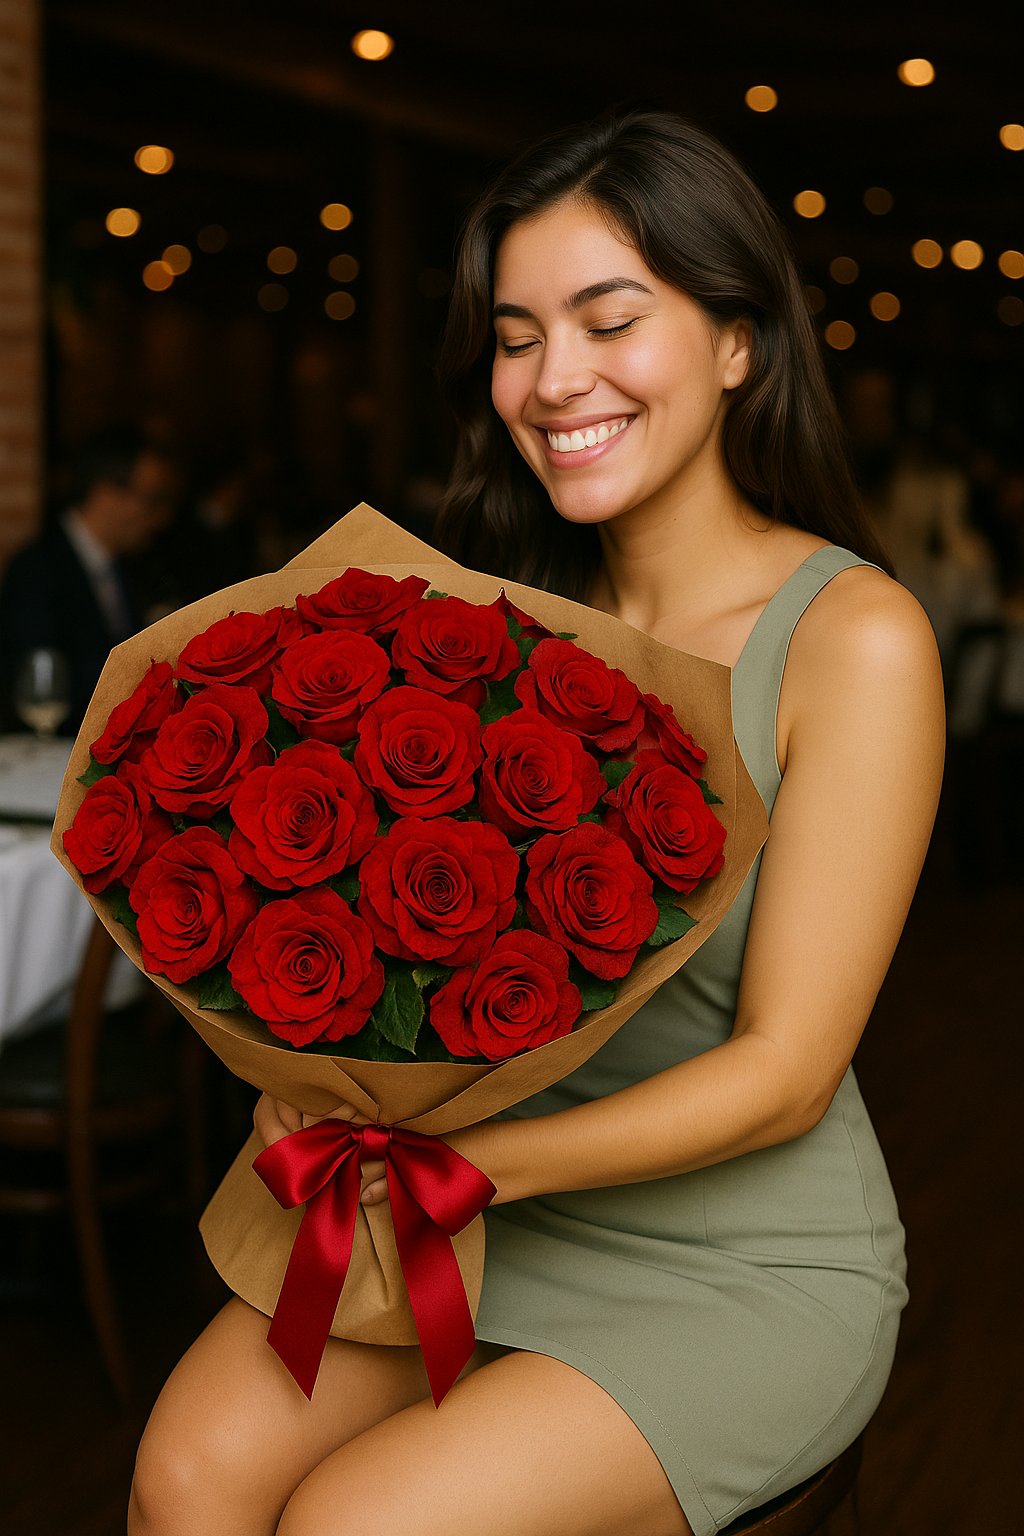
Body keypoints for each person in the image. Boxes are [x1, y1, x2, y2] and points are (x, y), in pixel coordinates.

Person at [128, 113, 944, 1536]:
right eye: (516, 335)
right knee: (181, 1481)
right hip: (477, 1220)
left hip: (733, 1264)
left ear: (740, 342)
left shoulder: (853, 638)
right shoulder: (477, 623)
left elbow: (788, 1074)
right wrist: (324, 1081)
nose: (554, 377)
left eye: (608, 319)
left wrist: (463, 1165)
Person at [0, 426, 178, 733]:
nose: (160, 518)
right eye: (151, 500)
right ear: (105, 493)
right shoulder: (37, 569)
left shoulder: (135, 570)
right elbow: (36, 681)